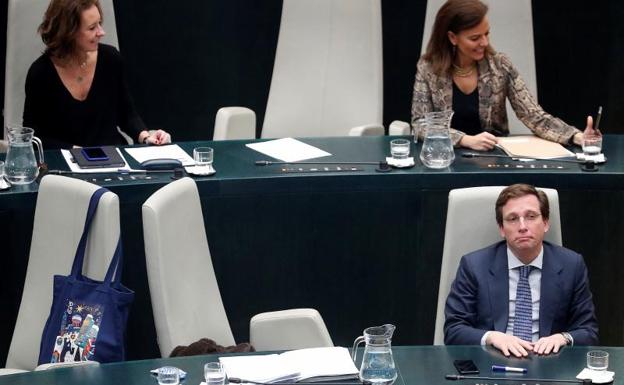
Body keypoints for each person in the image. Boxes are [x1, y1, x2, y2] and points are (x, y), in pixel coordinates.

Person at [411, 0, 599, 151]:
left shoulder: (500, 65)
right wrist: (465, 140)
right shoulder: (428, 68)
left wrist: (576, 136)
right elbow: (420, 123)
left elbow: (533, 114)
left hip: (494, 156)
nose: (484, 42)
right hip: (443, 157)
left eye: (486, 34)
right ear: (452, 37)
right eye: (475, 38)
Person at [444, 184, 598, 358]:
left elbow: (588, 331)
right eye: (512, 219)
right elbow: (453, 330)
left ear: (546, 222)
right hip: (492, 362)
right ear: (502, 228)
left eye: (531, 216)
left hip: (548, 363)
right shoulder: (474, 265)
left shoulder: (572, 265)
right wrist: (491, 337)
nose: (523, 226)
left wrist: (563, 338)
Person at [23, 0, 171, 149]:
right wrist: (73, 151)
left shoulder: (111, 59)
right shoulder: (40, 74)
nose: (101, 32)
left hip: (114, 158)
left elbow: (126, 113)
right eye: (92, 27)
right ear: (69, 32)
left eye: (100, 23)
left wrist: (146, 136)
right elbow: (32, 137)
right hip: (63, 164)